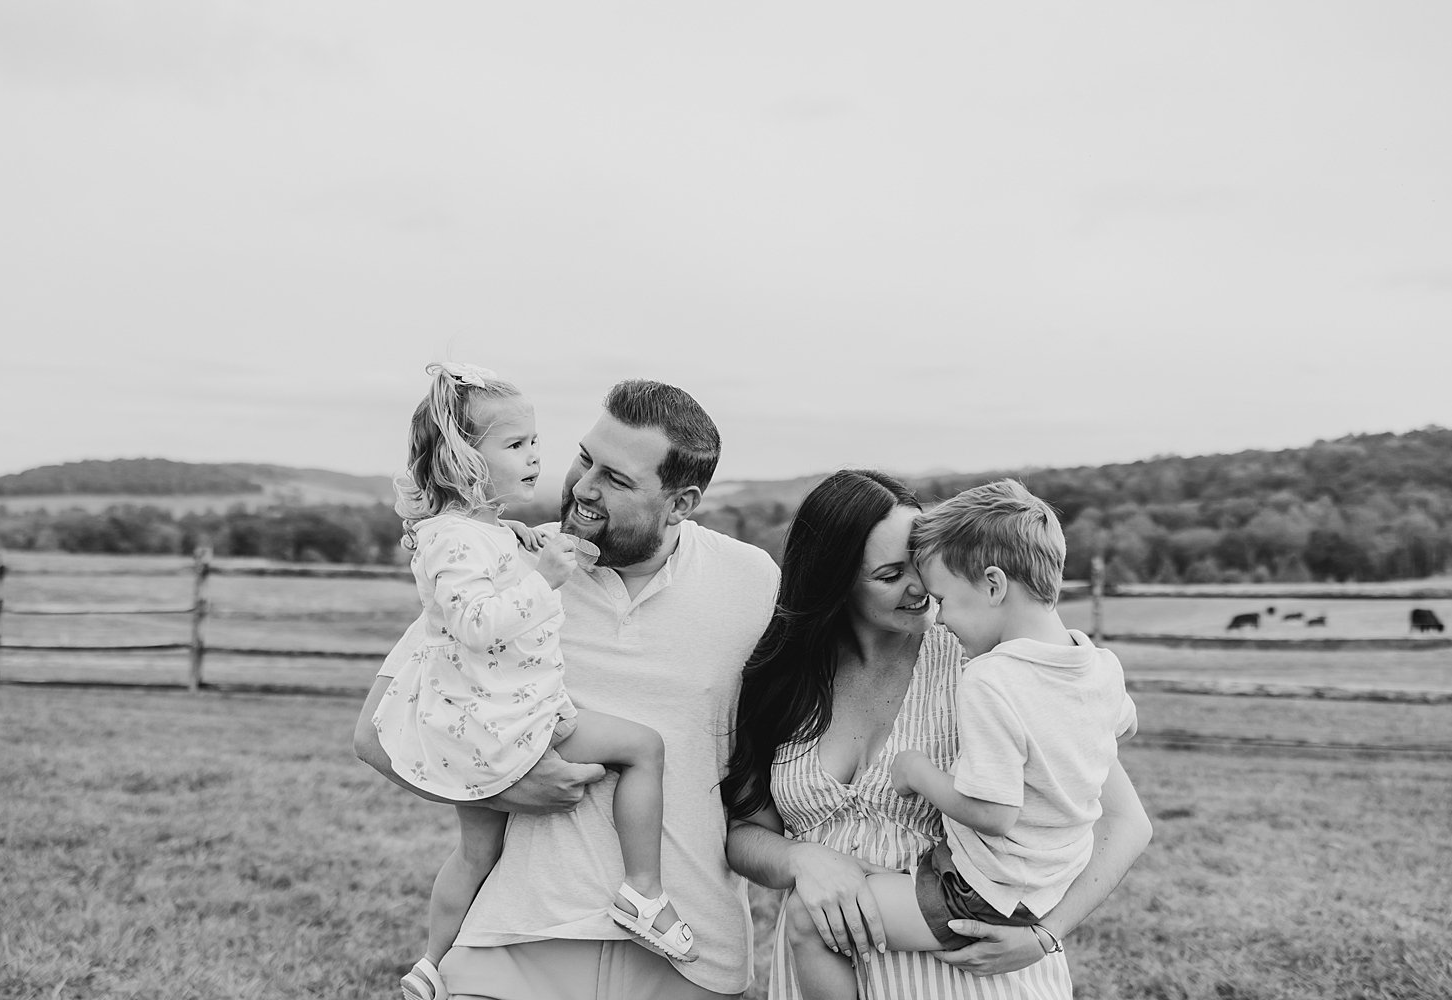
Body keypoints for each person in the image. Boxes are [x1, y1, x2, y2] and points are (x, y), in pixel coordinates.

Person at [355, 378, 780, 1000]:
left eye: (616, 478)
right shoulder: (507, 565)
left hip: (690, 954)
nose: (583, 486)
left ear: (682, 502)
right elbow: (375, 734)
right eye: (585, 458)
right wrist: (502, 785)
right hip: (513, 940)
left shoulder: (752, 584)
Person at [722, 469, 1152, 1000]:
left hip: (973, 978)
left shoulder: (991, 663)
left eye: (923, 561)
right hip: (823, 973)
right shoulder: (782, 679)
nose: (921, 586)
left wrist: (1047, 933)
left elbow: (1125, 821)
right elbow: (744, 835)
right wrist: (800, 858)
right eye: (890, 573)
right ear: (835, 582)